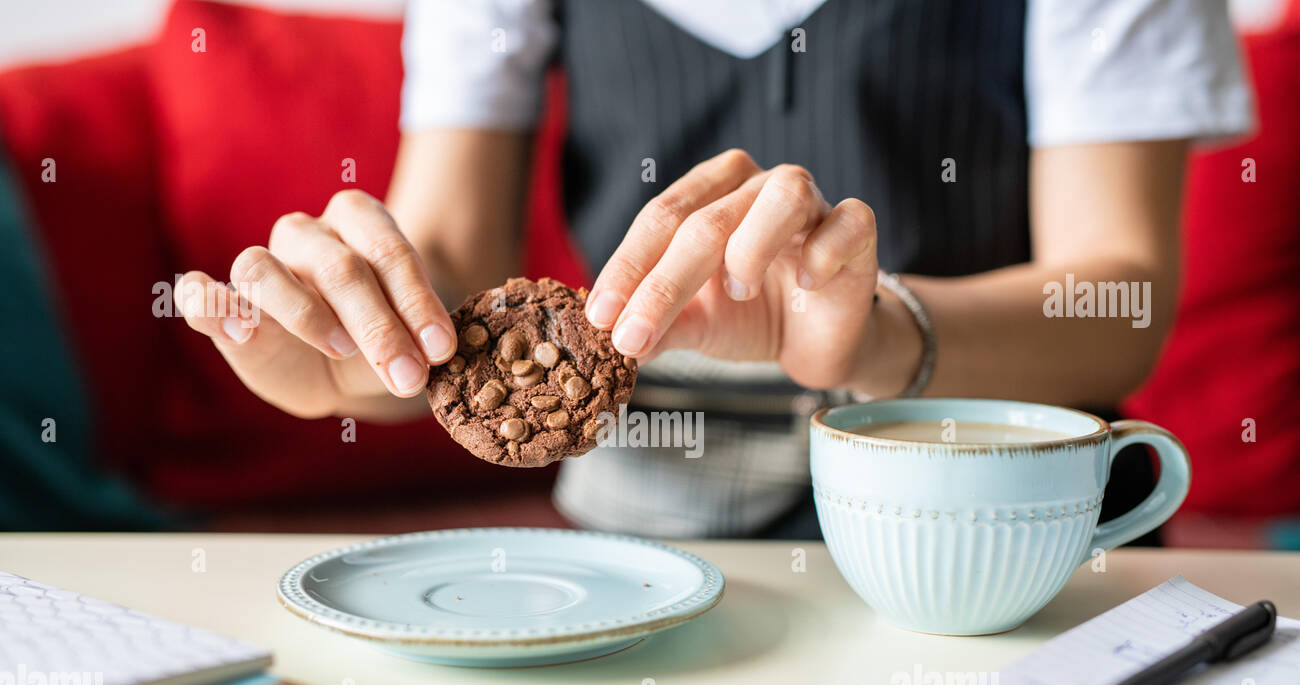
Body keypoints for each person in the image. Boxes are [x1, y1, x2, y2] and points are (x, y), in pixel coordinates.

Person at [176, 0, 1252, 538]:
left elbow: (1118, 298)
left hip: (1001, 533)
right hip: (645, 551)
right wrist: (348, 357)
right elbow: (450, 274)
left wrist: (879, 334)